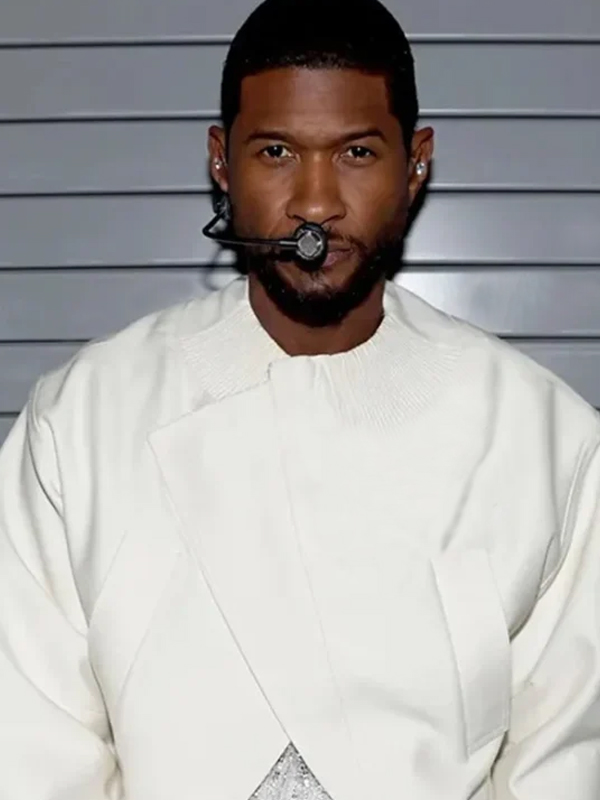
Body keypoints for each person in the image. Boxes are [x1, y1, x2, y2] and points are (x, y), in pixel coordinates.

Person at [0, 0, 599, 797]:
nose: (316, 203)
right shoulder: (78, 426)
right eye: (277, 151)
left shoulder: (544, 440)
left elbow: (562, 761)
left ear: (415, 163)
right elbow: (31, 753)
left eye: (357, 152)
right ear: (222, 162)